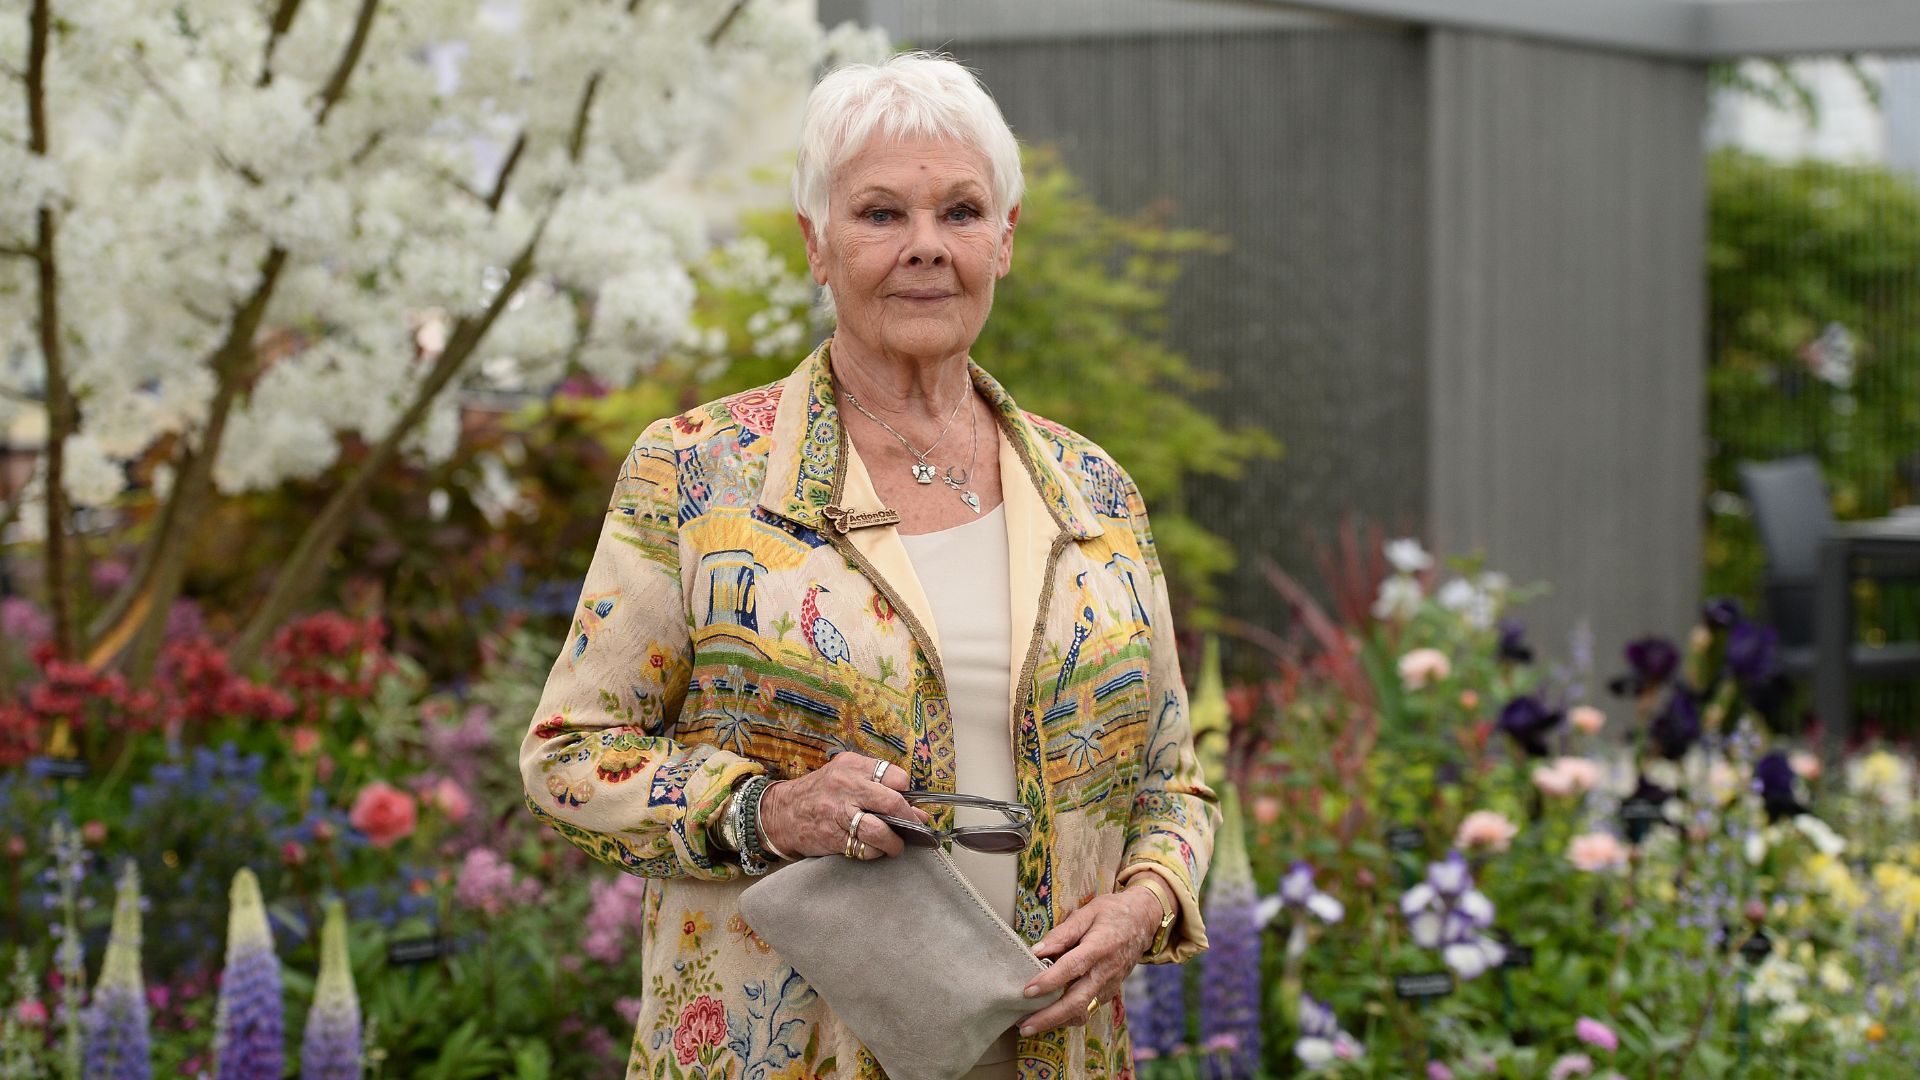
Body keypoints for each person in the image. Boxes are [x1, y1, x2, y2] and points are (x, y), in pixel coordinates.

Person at [520, 51, 1218, 1080]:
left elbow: (1174, 785)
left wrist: (1146, 903)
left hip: (1056, 1052)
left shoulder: (1095, 494)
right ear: (817, 243)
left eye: (961, 212)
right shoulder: (699, 474)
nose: (926, 245)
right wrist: (765, 810)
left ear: (1005, 239)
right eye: (881, 214)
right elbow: (569, 757)